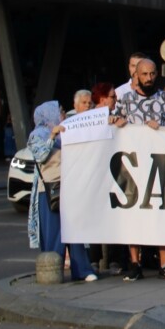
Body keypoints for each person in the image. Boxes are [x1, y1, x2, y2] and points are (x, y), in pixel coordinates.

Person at [110, 58, 165, 282]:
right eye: (144, 74)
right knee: (134, 213)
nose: (149, 78)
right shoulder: (126, 100)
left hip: (161, 164)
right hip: (133, 166)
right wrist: (115, 121)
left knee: (161, 212)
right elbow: (114, 125)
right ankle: (135, 263)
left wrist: (161, 129)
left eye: (152, 74)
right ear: (137, 76)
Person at [26, 100, 97, 283]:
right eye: (59, 111)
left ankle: (81, 269)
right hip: (49, 191)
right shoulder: (37, 135)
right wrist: (51, 137)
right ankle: (53, 270)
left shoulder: (64, 131)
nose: (62, 114)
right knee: (54, 231)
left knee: (74, 229)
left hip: (69, 188)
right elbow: (41, 156)